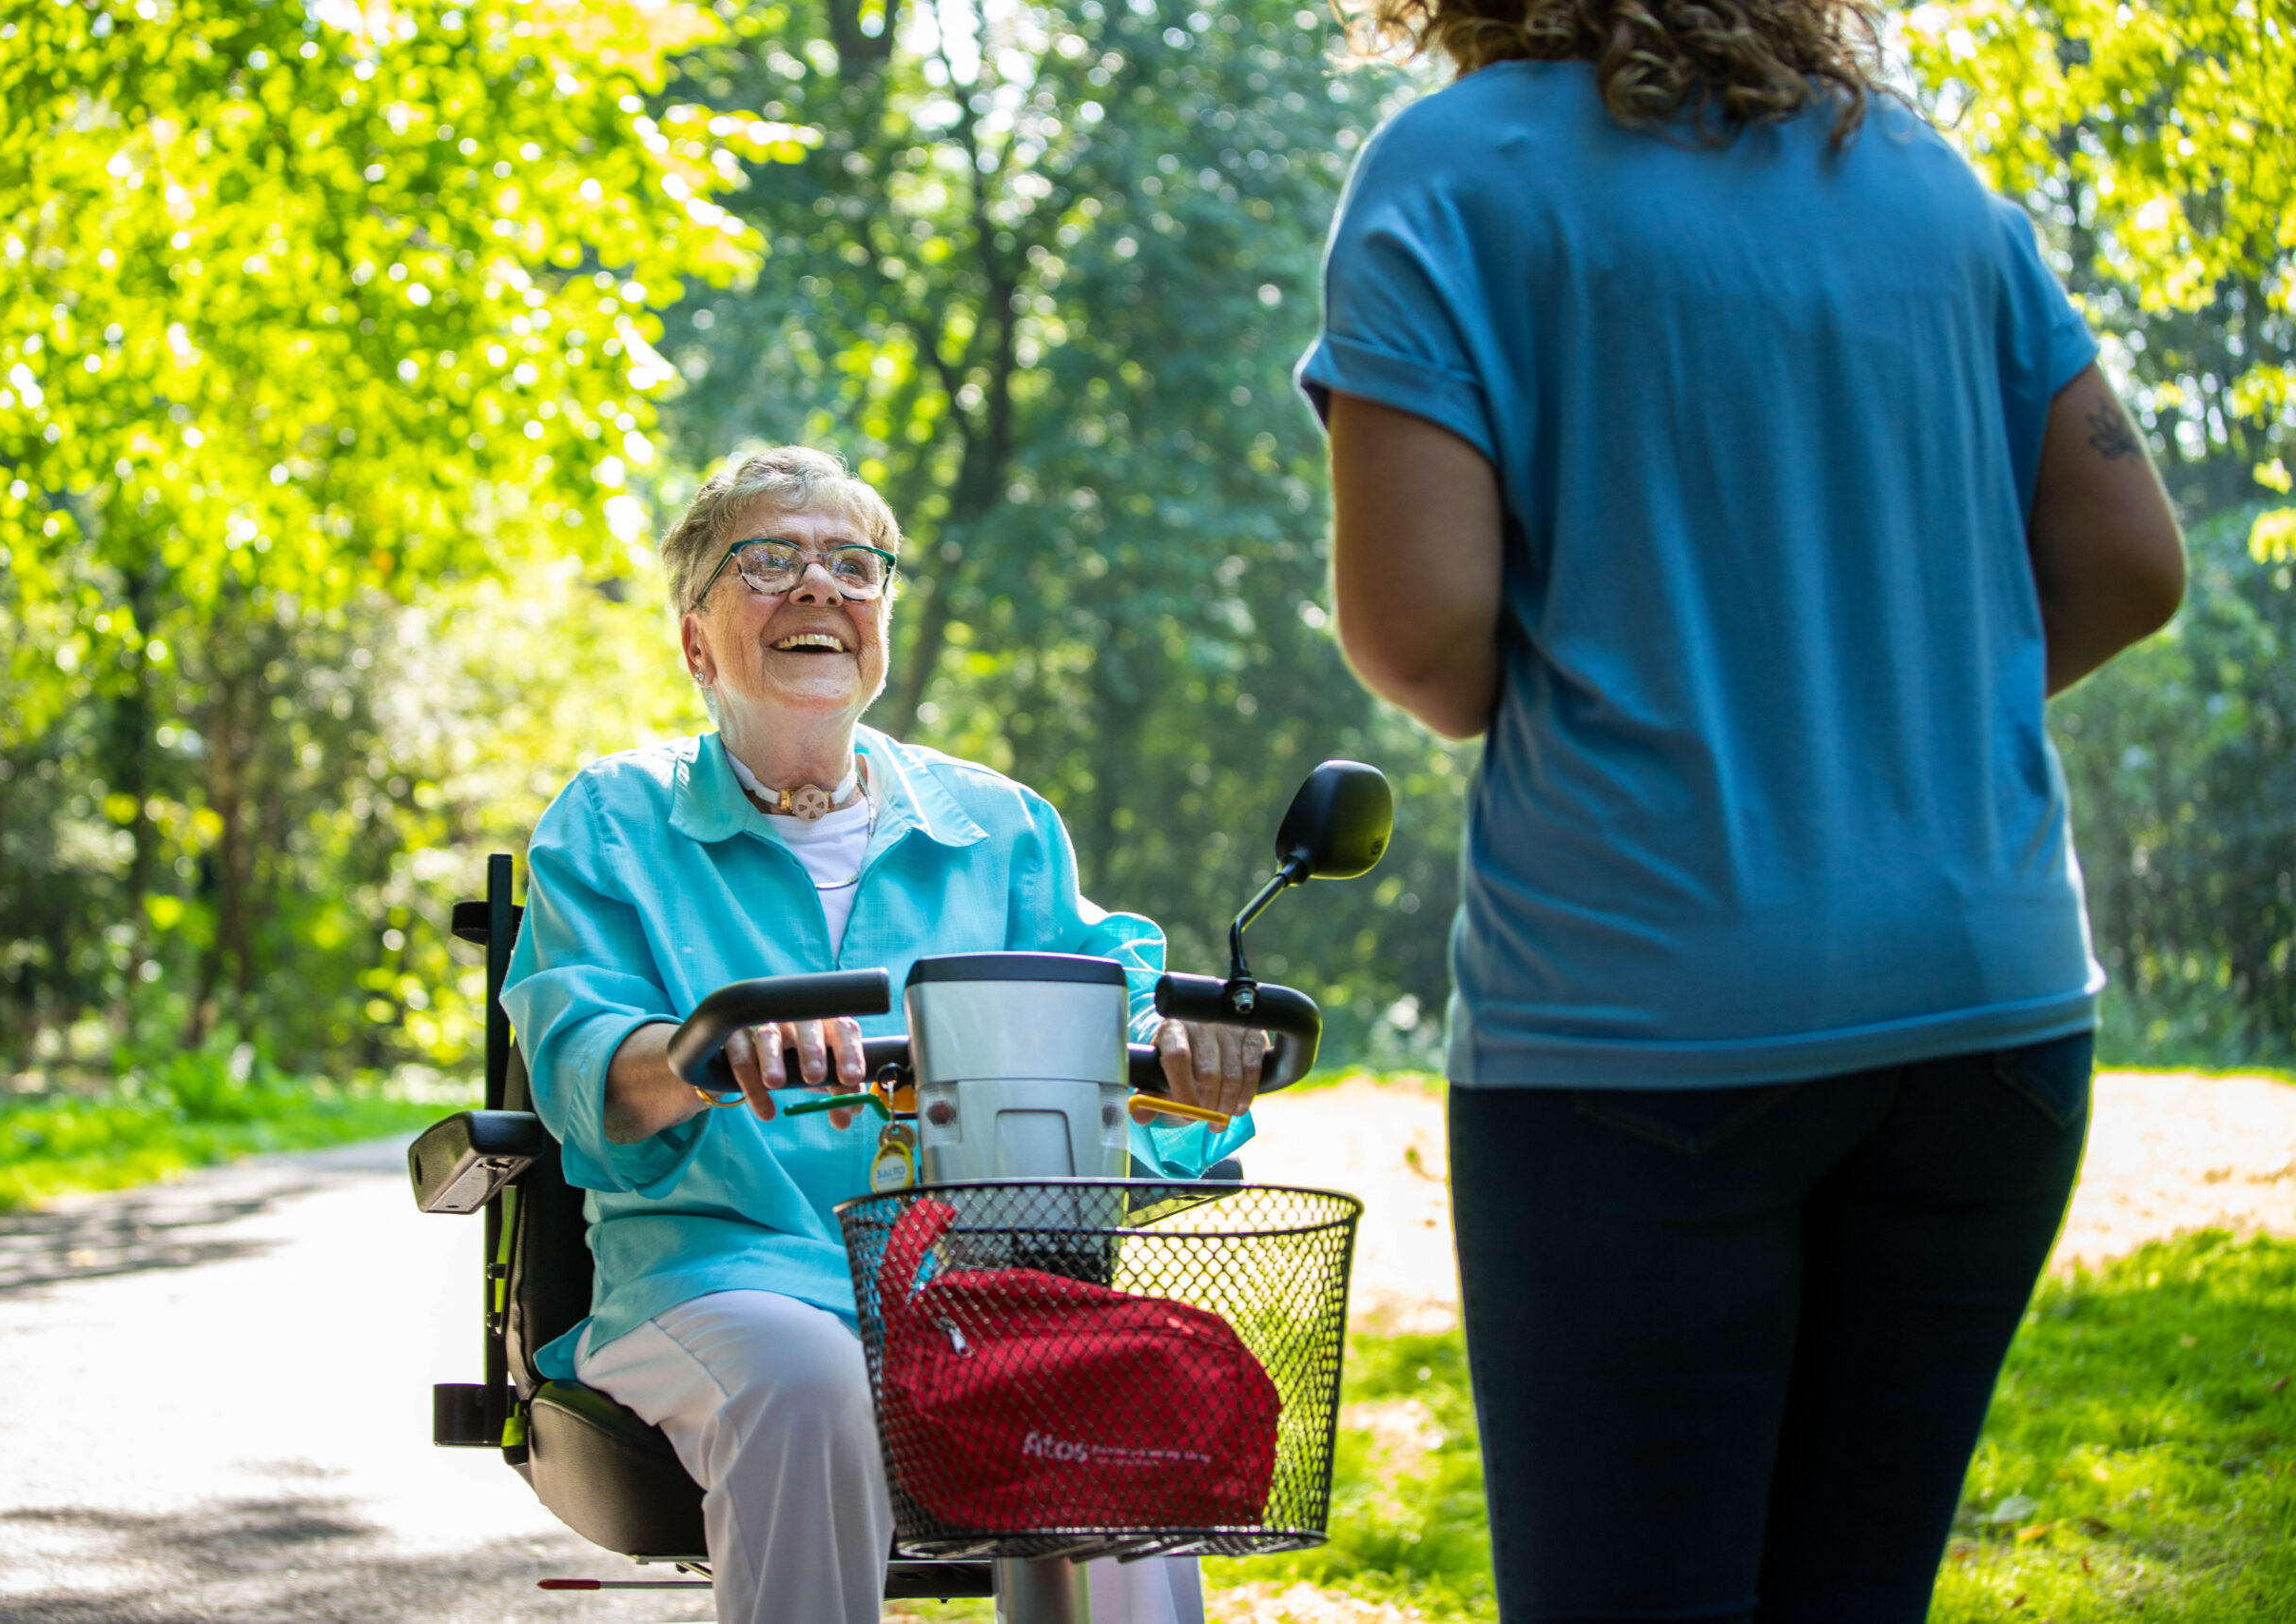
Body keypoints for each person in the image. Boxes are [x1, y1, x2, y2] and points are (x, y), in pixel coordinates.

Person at [1298, 2, 2187, 1620]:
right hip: (1986, 1014)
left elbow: (1424, 639)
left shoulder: (1448, 171)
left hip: (1645, 1016)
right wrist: (1902, 701)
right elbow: (2135, 562)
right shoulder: (1921, 170)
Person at [498, 446, 1260, 1624]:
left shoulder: (998, 826)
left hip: (975, 1285)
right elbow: (582, 1066)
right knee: (811, 1383)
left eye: (855, 565)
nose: (820, 588)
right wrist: (706, 1053)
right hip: (720, 1274)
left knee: (1121, 1391)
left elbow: (1119, 1005)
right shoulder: (614, 818)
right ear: (698, 642)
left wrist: (1194, 1067)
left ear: (883, 623)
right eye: (769, 561)